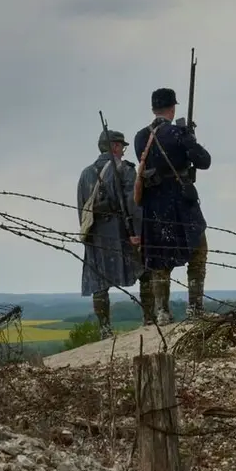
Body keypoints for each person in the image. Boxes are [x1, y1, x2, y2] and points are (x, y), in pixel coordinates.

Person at [133, 87, 212, 325]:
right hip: (180, 202)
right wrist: (190, 139)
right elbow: (204, 161)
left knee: (159, 260)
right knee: (198, 251)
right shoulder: (178, 133)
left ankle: (162, 311)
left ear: (154, 108)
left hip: (154, 205)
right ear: (172, 107)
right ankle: (195, 308)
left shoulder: (139, 137)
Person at [77, 130, 154, 337]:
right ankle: (149, 319)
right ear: (114, 147)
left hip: (96, 236)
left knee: (99, 283)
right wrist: (138, 233)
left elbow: (82, 211)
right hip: (122, 234)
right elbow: (134, 204)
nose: (122, 150)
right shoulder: (125, 170)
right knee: (145, 272)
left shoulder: (85, 174)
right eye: (121, 146)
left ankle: (105, 329)